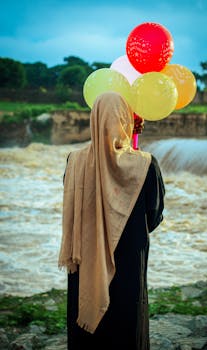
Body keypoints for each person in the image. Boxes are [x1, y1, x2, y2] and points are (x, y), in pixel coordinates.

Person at [58, 91, 165, 350]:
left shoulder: (74, 161)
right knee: (127, 323)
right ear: (125, 120)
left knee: (87, 330)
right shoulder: (146, 165)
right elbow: (155, 215)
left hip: (86, 259)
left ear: (94, 119)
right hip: (129, 261)